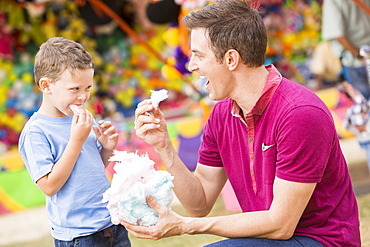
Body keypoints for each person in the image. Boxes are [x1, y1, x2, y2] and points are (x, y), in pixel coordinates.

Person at [125, 0, 361, 246]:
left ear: (230, 59)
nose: (191, 65)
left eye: (198, 55)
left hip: (321, 241)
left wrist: (187, 226)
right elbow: (199, 204)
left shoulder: (300, 113)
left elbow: (281, 225)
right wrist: (164, 147)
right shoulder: (221, 114)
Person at [18, 37, 131, 247]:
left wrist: (107, 149)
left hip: (111, 223)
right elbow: (49, 186)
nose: (83, 97)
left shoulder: (81, 118)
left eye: (87, 87)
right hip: (79, 235)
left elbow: (91, 168)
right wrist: (76, 140)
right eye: (75, 89)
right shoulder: (36, 132)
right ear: (46, 85)